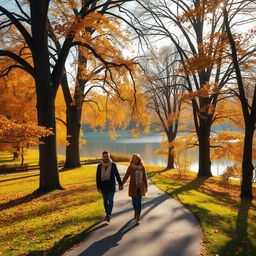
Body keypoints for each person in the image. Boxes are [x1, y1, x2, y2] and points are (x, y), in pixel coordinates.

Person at [96, 151, 123, 222]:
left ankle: (109, 214)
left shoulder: (113, 165)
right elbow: (97, 177)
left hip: (111, 186)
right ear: (102, 157)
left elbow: (117, 175)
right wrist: (98, 187)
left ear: (109, 156)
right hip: (103, 186)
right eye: (104, 156)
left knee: (110, 200)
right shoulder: (99, 166)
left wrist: (120, 184)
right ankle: (107, 212)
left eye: (107, 156)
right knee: (105, 201)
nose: (106, 157)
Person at [122, 154, 148, 225]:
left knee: (138, 202)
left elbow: (144, 177)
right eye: (134, 158)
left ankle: (138, 217)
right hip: (133, 187)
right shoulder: (130, 167)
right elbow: (126, 176)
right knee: (134, 202)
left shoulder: (142, 167)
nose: (135, 160)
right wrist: (121, 184)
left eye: (136, 158)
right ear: (132, 159)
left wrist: (146, 186)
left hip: (140, 187)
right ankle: (136, 212)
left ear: (139, 159)